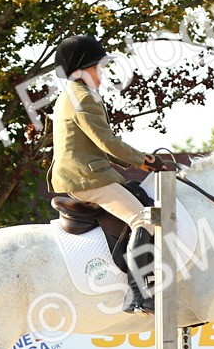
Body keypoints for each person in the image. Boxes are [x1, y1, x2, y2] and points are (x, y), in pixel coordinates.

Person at [47, 34, 163, 315]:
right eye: (97, 68)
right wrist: (143, 158)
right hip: (86, 177)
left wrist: (141, 164)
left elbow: (97, 144)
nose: (101, 74)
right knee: (143, 220)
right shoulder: (84, 98)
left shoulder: (72, 96)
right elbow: (107, 142)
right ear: (80, 69)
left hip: (83, 172)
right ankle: (138, 295)